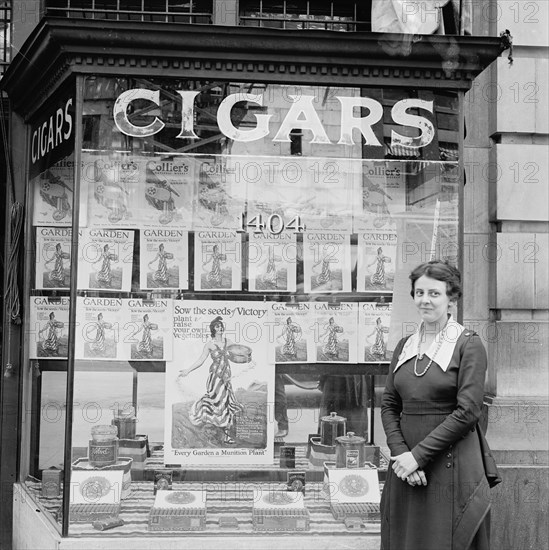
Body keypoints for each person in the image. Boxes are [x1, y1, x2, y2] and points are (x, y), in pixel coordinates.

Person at [380, 260, 490, 550]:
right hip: (405, 468)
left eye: (434, 293)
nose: (424, 300)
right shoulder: (405, 345)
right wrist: (401, 453)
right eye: (419, 293)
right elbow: (389, 404)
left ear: (451, 298)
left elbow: (468, 411)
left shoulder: (469, 345)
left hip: (449, 465)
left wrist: (419, 456)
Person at [178, 316, 243, 444]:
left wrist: (247, 358)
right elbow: (201, 360)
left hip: (226, 377)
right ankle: (209, 424)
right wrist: (188, 370)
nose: (220, 328)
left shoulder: (228, 341)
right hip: (215, 378)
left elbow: (237, 354)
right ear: (213, 329)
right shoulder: (209, 344)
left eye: (221, 326)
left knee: (226, 403)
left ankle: (226, 435)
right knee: (217, 403)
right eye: (217, 326)